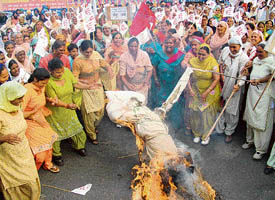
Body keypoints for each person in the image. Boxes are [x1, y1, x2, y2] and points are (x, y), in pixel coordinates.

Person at [0, 81, 41, 200]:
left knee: (31, 180)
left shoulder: (17, 107)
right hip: (8, 158)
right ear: (8, 97)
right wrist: (4, 138)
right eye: (18, 98)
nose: (22, 101)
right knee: (15, 183)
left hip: (23, 151)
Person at [73, 40, 113, 144]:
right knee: (89, 113)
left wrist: (109, 70)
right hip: (86, 88)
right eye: (87, 52)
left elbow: (105, 64)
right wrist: (86, 85)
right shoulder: (77, 61)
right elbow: (75, 79)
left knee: (100, 110)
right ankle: (91, 135)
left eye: (91, 51)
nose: (89, 54)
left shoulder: (96, 55)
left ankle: (94, 126)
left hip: (98, 86)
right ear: (81, 50)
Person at [22, 68, 59, 172]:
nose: (44, 86)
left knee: (48, 142)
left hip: (40, 119)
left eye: (45, 83)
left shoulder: (42, 87)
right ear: (35, 79)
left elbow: (42, 99)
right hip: (30, 121)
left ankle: (48, 164)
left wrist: (49, 99)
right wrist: (32, 114)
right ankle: (33, 170)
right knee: (39, 151)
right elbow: (20, 113)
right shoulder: (27, 90)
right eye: (42, 83)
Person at [242, 43, 274, 160]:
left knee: (261, 120)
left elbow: (272, 76)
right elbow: (253, 73)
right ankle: (249, 140)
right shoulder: (256, 59)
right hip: (252, 93)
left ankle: (260, 149)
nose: (258, 54)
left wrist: (260, 80)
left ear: (267, 52)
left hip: (264, 95)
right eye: (257, 51)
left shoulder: (272, 61)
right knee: (250, 116)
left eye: (261, 52)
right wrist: (248, 74)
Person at [216, 37, 249, 143]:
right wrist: (220, 76)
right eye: (231, 46)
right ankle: (219, 129)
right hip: (222, 83)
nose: (232, 49)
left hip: (234, 87)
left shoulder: (243, 58)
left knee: (232, 111)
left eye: (235, 47)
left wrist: (239, 84)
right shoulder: (225, 51)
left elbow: (243, 75)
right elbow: (220, 63)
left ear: (240, 46)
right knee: (220, 107)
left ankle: (229, 132)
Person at [150, 36, 185, 130]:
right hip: (162, 83)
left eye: (171, 43)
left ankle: (174, 125)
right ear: (164, 44)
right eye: (167, 43)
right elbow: (153, 66)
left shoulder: (180, 55)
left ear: (175, 44)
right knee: (162, 102)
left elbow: (184, 66)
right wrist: (156, 79)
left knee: (174, 102)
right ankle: (161, 124)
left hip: (174, 83)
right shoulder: (159, 54)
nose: (169, 45)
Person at [188, 44, 220, 145]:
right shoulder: (192, 61)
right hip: (196, 90)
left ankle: (206, 135)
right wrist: (189, 89)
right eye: (199, 54)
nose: (201, 57)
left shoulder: (213, 63)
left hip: (210, 91)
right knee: (195, 113)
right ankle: (197, 133)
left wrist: (207, 92)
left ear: (209, 54)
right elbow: (187, 76)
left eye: (204, 55)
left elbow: (216, 79)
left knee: (207, 114)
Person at [119, 37, 153, 102]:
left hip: (142, 86)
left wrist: (144, 83)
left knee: (141, 105)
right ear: (128, 46)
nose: (133, 48)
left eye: (135, 46)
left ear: (138, 46)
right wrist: (128, 86)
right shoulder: (123, 56)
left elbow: (150, 70)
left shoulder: (144, 54)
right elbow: (122, 75)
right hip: (128, 86)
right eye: (131, 46)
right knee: (130, 106)